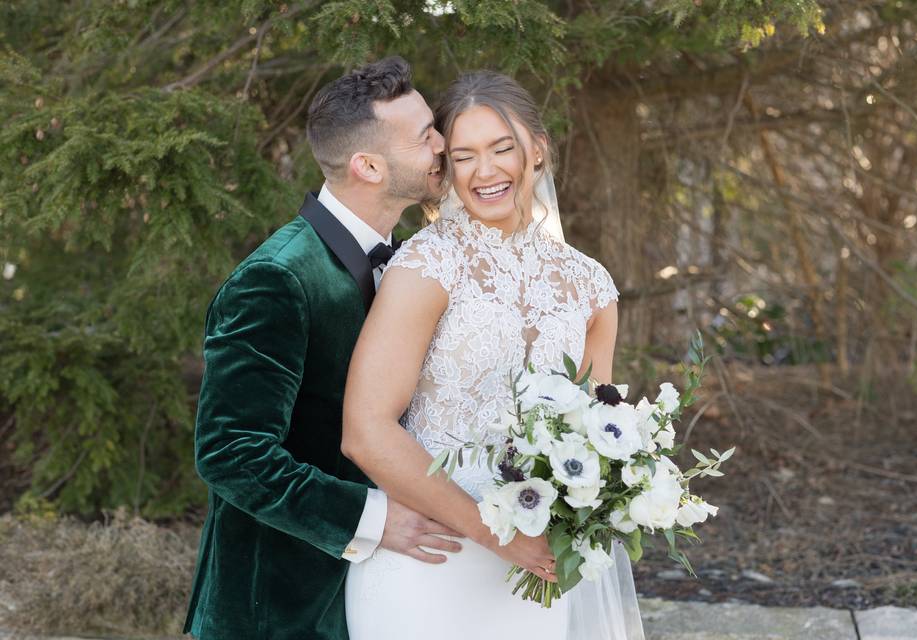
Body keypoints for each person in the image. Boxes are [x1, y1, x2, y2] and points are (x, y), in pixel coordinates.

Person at [342, 70, 645, 639]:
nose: (485, 171)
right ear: (447, 169)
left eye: (502, 148)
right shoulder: (427, 265)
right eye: (464, 156)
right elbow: (365, 431)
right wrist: (499, 536)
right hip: (427, 564)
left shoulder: (591, 287)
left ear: (538, 150)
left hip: (536, 576)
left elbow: (596, 436)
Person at [182, 56, 476, 640]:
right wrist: (370, 518)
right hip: (278, 607)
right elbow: (230, 452)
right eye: (424, 137)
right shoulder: (277, 278)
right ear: (369, 166)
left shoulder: (416, 256)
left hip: (383, 594)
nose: (445, 143)